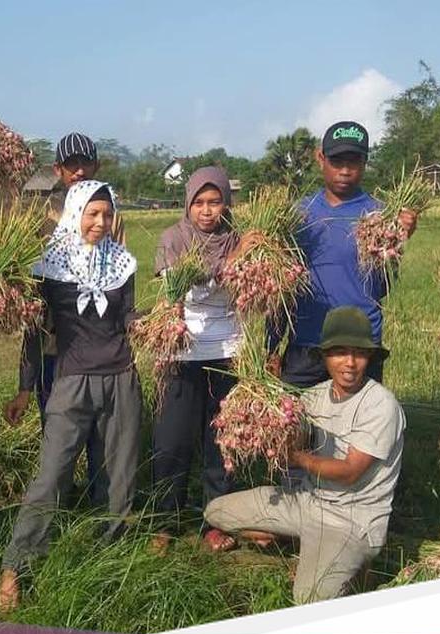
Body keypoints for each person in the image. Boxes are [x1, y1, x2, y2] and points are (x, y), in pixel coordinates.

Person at [0, 180, 141, 612]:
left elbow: (127, 318)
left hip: (121, 377)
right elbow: (34, 332)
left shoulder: (123, 263)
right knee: (52, 473)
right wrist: (25, 388)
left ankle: (111, 553)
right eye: (92, 213)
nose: (100, 222)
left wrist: (158, 322)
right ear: (75, 213)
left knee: (119, 474)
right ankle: (16, 564)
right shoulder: (49, 266)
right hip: (71, 380)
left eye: (107, 214)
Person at [205, 306, 405, 604]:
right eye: (340, 353)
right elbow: (294, 436)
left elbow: (350, 471)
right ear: (324, 357)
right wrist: (269, 409)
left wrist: (297, 458)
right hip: (306, 502)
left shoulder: (380, 405)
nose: (350, 363)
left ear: (369, 357)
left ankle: (355, 563)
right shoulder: (313, 396)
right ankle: (297, 536)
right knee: (216, 512)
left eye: (359, 354)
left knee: (308, 600)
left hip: (351, 521)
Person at [150, 166, 257, 552]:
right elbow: (184, 294)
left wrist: (244, 258)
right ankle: (165, 521)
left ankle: (217, 521)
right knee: (171, 441)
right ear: (188, 204)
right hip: (182, 353)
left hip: (228, 352)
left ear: (227, 203)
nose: (207, 211)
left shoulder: (241, 238)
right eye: (199, 202)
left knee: (220, 443)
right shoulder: (173, 239)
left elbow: (251, 290)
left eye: (215, 202)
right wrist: (232, 264)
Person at [274, 121, 417, 388]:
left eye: (354, 162)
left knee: (361, 413)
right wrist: (270, 346)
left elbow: (383, 286)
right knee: (299, 414)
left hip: (359, 346)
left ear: (365, 162)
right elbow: (280, 290)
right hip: (307, 342)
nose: (345, 170)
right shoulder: (296, 215)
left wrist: (400, 239)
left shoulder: (380, 216)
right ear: (321, 158)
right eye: (337, 161)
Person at [36, 133, 110, 508]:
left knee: (101, 431)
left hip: (99, 347)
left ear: (96, 166)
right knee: (58, 431)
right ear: (58, 170)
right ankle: (59, 506)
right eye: (71, 165)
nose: (79, 171)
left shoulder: (109, 214)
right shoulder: (42, 220)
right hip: (56, 345)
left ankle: (101, 505)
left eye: (85, 163)